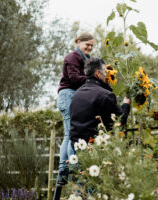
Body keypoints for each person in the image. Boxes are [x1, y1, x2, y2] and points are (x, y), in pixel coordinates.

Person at [54, 32, 94, 190]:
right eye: (87, 44)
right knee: (71, 134)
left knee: (70, 134)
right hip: (67, 95)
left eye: (92, 45)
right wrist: (93, 79)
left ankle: (65, 169)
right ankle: (69, 169)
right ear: (78, 42)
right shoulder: (72, 57)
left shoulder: (86, 59)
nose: (89, 47)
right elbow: (74, 78)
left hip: (74, 97)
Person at [68, 57, 131, 154]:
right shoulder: (105, 95)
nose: (107, 75)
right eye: (105, 72)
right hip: (95, 151)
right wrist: (126, 105)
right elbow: (119, 121)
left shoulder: (76, 94)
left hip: (75, 149)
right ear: (98, 73)